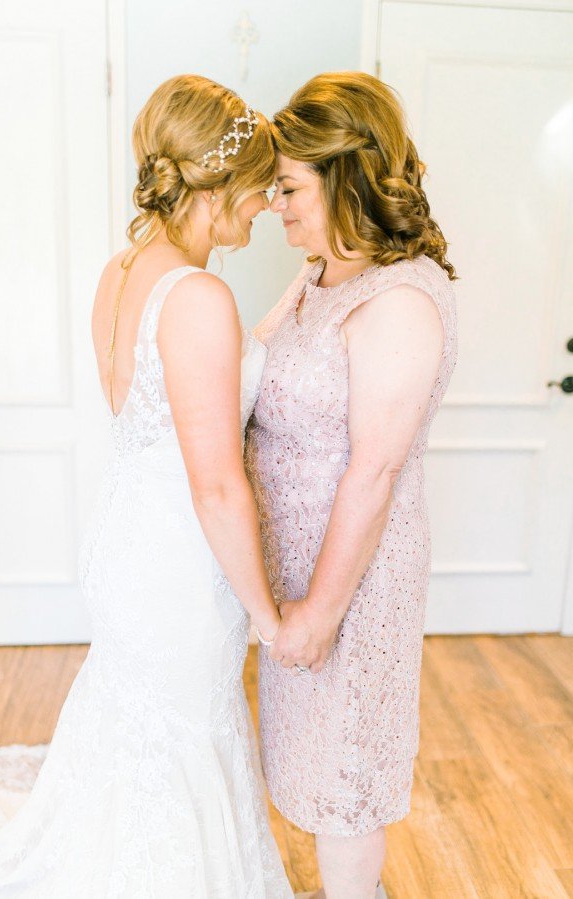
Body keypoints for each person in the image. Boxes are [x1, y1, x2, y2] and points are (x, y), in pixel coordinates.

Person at [0, 74, 292, 898]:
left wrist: (285, 311)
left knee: (146, 728)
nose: (266, 205)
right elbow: (216, 484)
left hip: (128, 540)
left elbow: (178, 394)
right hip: (180, 561)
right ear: (216, 187)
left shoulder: (123, 272)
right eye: (259, 187)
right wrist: (268, 616)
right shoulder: (200, 296)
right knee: (187, 730)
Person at [245, 71, 458, 899]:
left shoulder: (398, 300)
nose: (276, 205)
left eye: (290, 187)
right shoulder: (320, 272)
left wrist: (319, 614)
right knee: (310, 763)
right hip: (296, 569)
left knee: (346, 775)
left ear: (344, 177)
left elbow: (374, 471)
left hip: (351, 587)